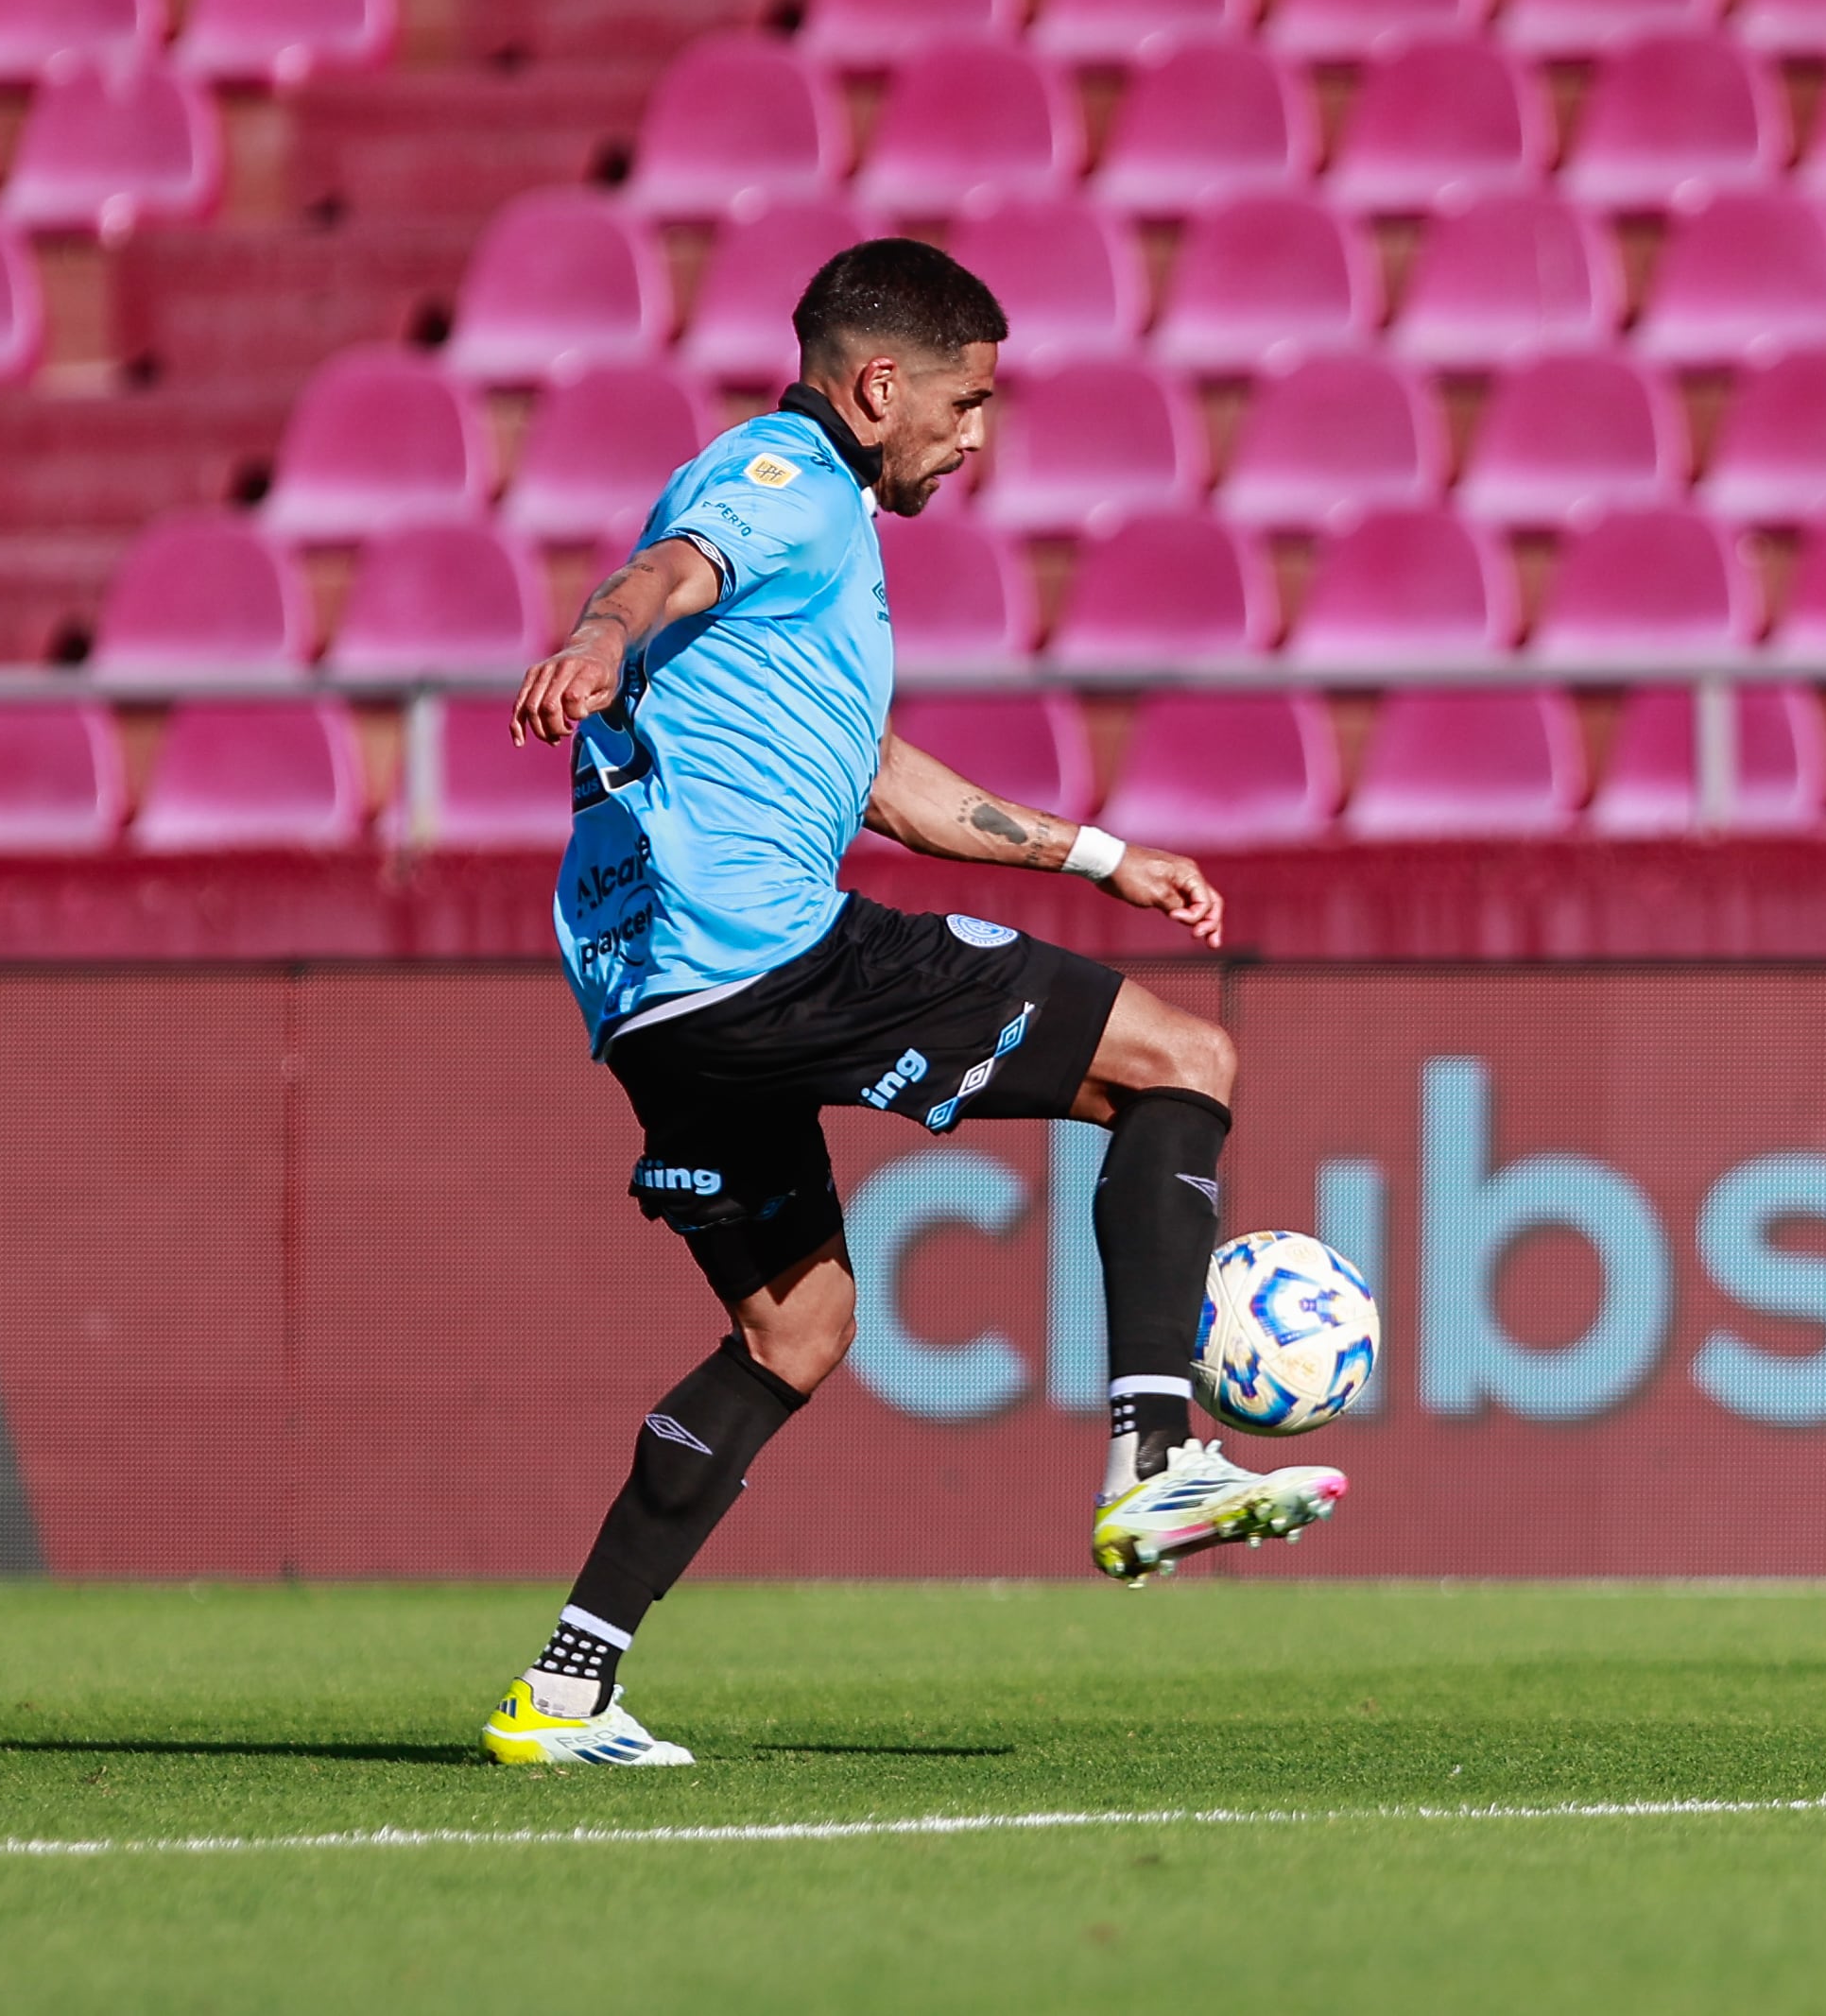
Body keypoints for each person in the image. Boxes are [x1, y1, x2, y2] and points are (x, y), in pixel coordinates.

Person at [483, 239, 1345, 1769]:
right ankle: (1152, 1450)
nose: (978, 435)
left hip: (652, 999)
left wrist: (1099, 856)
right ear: (879, 386)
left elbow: (878, 780)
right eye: (968, 400)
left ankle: (565, 1683)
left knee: (795, 1328)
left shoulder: (807, 559)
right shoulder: (781, 481)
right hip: (764, 950)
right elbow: (667, 571)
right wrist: (601, 634)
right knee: (1179, 1055)